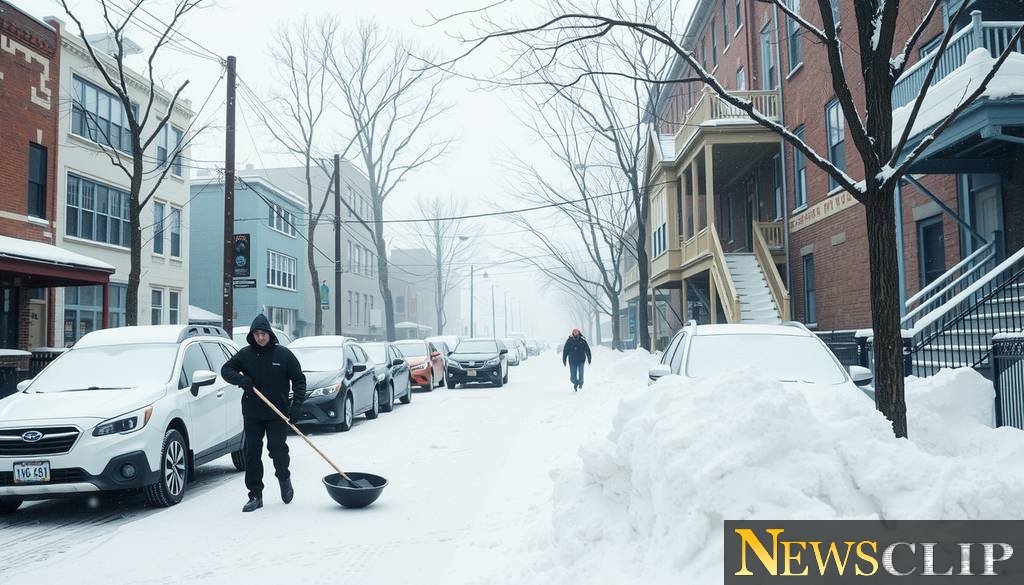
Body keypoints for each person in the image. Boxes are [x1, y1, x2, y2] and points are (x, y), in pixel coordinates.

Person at [222, 314, 306, 512]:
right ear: (253, 336)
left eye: (263, 333)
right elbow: (226, 370)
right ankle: (255, 495)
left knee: (277, 450)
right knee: (252, 453)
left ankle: (284, 478)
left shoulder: (283, 355)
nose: (260, 337)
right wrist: (242, 380)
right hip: (252, 413)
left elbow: (299, 380)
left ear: (269, 333)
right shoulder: (245, 354)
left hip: (278, 413)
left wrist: (296, 406)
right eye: (256, 334)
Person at [561, 328, 592, 392]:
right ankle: (575, 383)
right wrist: (564, 359)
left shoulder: (583, 341)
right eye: (574, 332)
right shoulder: (569, 341)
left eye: (576, 332)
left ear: (579, 332)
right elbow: (565, 351)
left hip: (581, 360)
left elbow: (587, 350)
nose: (575, 333)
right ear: (572, 333)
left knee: (581, 374)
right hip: (572, 361)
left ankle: (580, 383)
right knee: (572, 377)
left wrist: (589, 358)